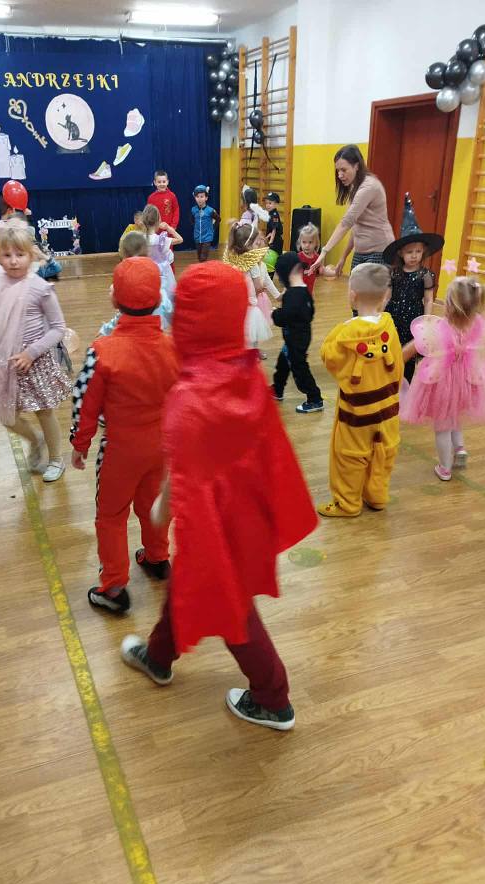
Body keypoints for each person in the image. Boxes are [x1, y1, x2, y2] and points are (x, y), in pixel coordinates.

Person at [119, 260, 317, 731]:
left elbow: (186, 470)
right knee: (190, 585)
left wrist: (162, 507)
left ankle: (273, 697)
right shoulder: (244, 371)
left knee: (228, 604)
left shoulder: (190, 396)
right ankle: (158, 656)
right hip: (245, 512)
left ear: (188, 321)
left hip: (217, 523)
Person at [71, 257, 180, 614]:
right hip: (162, 449)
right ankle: (158, 557)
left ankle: (114, 586)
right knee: (153, 505)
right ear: (158, 298)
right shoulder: (173, 347)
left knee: (111, 516)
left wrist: (80, 443)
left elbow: (84, 402)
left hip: (120, 451)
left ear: (115, 299)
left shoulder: (102, 350)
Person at [0, 220, 72, 483]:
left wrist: (31, 353)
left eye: (20, 254)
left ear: (31, 255)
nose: (13, 261)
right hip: (4, 362)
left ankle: (56, 459)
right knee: (6, 415)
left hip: (35, 362)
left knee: (44, 411)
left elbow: (58, 328)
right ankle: (35, 439)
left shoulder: (40, 288)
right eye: (6, 255)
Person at [401, 277, 485, 481]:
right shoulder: (478, 325)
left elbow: (418, 346)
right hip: (466, 380)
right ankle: (460, 448)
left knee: (442, 426)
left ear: (449, 305)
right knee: (454, 415)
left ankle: (444, 468)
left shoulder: (441, 327)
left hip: (441, 381)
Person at [318, 262, 403, 517]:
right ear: (385, 296)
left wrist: (341, 330)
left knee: (349, 457)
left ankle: (347, 504)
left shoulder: (345, 334)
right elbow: (398, 365)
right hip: (389, 411)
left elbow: (329, 358)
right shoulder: (389, 326)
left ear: (352, 296)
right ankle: (377, 496)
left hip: (356, 414)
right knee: (383, 453)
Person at [307, 144, 395, 279]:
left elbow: (346, 223)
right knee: (355, 291)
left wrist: (324, 252)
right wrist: (343, 257)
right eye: (338, 170)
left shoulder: (369, 186)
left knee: (368, 291)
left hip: (379, 250)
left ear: (357, 166)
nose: (340, 175)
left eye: (344, 170)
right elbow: (355, 226)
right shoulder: (354, 187)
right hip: (361, 251)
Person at [383, 194, 444, 382]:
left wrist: (427, 320)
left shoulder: (426, 275)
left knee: (409, 355)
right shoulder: (394, 273)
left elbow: (428, 299)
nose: (414, 255)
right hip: (394, 317)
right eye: (410, 252)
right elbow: (387, 296)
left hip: (413, 320)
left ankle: (406, 384)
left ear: (423, 251)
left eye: (418, 251)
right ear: (401, 253)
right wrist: (379, 315)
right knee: (391, 350)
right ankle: (389, 382)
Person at [272, 251, 323, 414]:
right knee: (283, 363)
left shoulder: (292, 295)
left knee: (299, 369)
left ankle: (315, 398)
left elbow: (284, 318)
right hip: (301, 335)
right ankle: (277, 389)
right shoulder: (304, 291)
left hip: (295, 339)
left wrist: (275, 313)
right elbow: (311, 312)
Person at [98, 230, 173, 337]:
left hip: (130, 337)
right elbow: (168, 307)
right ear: (147, 252)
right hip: (154, 335)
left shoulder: (122, 276)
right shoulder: (154, 273)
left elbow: (121, 315)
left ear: (123, 253)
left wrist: (105, 331)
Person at [223, 221, 273, 350]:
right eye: (256, 243)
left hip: (234, 306)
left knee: (237, 335)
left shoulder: (232, 258)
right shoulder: (252, 264)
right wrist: (262, 287)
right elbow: (258, 287)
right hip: (249, 307)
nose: (258, 246)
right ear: (248, 245)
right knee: (251, 337)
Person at [141, 203, 182, 312]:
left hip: (147, 272)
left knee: (149, 297)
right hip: (163, 275)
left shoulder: (141, 239)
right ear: (158, 221)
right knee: (166, 298)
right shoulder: (161, 240)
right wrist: (168, 228)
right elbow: (180, 239)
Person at [297, 222, 334, 296]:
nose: (307, 245)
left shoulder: (317, 258)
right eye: (304, 242)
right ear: (300, 242)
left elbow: (322, 271)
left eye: (310, 242)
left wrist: (334, 273)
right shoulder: (297, 257)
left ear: (316, 243)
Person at [191, 184, 220, 262]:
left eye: (202, 196)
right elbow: (192, 220)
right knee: (199, 257)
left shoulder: (210, 210)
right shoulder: (193, 210)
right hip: (197, 237)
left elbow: (218, 219)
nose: (199, 199)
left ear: (206, 198)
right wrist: (196, 228)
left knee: (203, 257)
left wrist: (212, 229)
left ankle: (203, 268)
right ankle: (202, 267)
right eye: (197, 197)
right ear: (195, 197)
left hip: (207, 237)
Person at [264, 191, 283, 277]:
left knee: (274, 258)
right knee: (274, 258)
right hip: (274, 239)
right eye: (266, 203)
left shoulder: (274, 215)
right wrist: (267, 237)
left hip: (276, 241)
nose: (267, 205)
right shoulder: (271, 213)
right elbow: (272, 230)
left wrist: (271, 241)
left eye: (270, 203)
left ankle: (279, 274)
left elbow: (274, 229)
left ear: (276, 204)